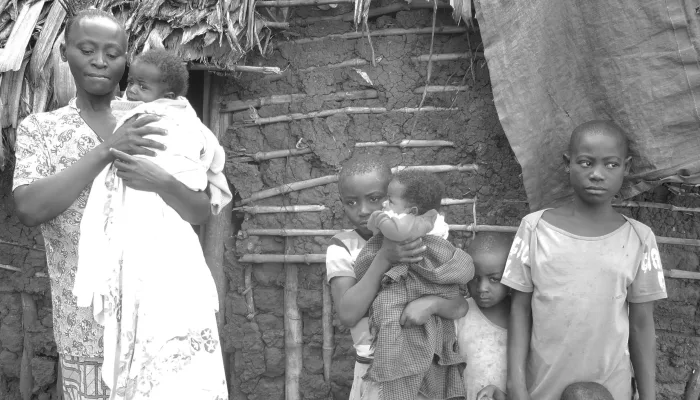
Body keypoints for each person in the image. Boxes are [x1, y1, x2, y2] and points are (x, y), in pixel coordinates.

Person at [12, 9, 211, 399]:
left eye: (113, 53)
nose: (100, 61)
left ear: (126, 59)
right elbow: (30, 209)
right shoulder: (42, 129)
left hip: (159, 320)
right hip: (83, 327)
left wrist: (163, 181)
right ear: (65, 51)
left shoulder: (155, 120)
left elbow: (199, 212)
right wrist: (106, 151)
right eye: (87, 49)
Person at [73, 48, 230, 399]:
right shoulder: (121, 121)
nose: (131, 91)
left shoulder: (175, 123)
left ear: (170, 96)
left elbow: (196, 187)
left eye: (142, 87)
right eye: (132, 83)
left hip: (167, 254)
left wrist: (162, 180)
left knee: (175, 351)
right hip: (124, 266)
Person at [503, 120, 668, 400]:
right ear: (568, 163)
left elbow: (641, 324)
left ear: (626, 168)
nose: (597, 174)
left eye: (611, 164)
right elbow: (520, 310)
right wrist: (516, 386)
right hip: (541, 388)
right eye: (586, 162)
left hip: (610, 389)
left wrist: (648, 396)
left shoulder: (640, 238)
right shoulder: (534, 228)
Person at [327, 155, 469, 400]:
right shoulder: (342, 246)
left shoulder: (426, 241)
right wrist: (384, 257)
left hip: (427, 368)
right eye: (351, 202)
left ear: (397, 199)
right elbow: (348, 314)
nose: (362, 211)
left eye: (375, 199)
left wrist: (431, 304)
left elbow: (459, 304)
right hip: (376, 372)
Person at [454, 232, 511, 400]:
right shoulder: (460, 314)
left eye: (494, 279)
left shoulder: (524, 318)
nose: (482, 288)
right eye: (475, 278)